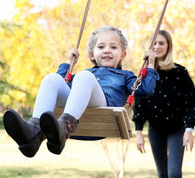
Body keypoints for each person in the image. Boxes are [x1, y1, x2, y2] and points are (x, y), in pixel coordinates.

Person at [3, 26, 159, 158]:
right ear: (91, 54)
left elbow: (144, 89)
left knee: (85, 76)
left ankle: (64, 127)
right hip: (77, 110)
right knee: (51, 79)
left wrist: (150, 64)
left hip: (104, 109)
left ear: (122, 55)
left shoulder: (125, 76)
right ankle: (33, 133)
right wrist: (68, 63)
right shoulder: (80, 78)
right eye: (101, 47)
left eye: (113, 47)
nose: (107, 51)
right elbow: (59, 85)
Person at [132, 30, 195, 178]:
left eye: (161, 43)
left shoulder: (180, 73)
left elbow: (191, 102)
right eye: (154, 43)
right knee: (163, 176)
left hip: (177, 129)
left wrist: (189, 129)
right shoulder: (145, 75)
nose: (157, 46)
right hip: (156, 130)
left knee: (174, 175)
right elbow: (140, 104)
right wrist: (138, 131)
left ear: (168, 46)